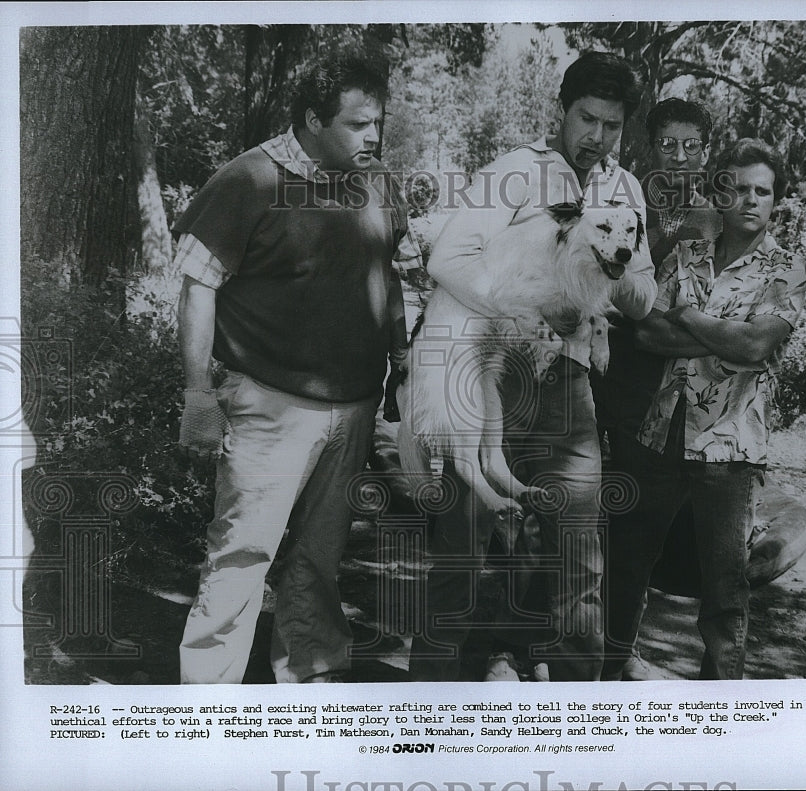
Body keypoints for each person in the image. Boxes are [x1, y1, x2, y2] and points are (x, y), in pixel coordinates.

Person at [408, 51, 657, 682]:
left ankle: (574, 700)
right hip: (492, 365)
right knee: (465, 536)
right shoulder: (513, 173)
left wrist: (618, 265)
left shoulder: (624, 190)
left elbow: (645, 295)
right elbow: (446, 261)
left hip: (568, 383)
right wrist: (531, 307)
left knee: (579, 545)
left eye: (611, 126)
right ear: (562, 110)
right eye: (586, 118)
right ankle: (430, 700)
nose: (596, 137)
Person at [174, 54, 410, 684]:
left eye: (377, 123)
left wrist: (404, 361)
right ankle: (204, 712)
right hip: (268, 406)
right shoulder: (247, 180)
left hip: (355, 406)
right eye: (359, 125)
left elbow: (386, 276)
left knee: (319, 562)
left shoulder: (378, 181)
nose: (374, 137)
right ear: (312, 119)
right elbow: (198, 284)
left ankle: (309, 694)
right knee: (240, 558)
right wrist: (198, 393)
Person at [600, 138, 806, 680]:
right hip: (658, 436)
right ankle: (608, 679)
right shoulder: (687, 256)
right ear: (720, 195)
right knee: (626, 568)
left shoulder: (788, 271)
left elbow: (755, 348)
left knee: (724, 590)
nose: (749, 200)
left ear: (775, 200)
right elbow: (646, 334)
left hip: (730, 447)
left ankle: (720, 707)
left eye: (762, 191)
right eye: (738, 188)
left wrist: (688, 317)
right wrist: (724, 336)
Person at [593, 97, 721, 681]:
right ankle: (545, 644)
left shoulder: (717, 215)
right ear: (648, 145)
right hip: (614, 381)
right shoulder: (625, 199)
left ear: (707, 150)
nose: (679, 156)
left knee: (641, 530)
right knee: (582, 517)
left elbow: (718, 306)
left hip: (679, 400)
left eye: (692, 146)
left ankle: (618, 650)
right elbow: (632, 306)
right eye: (667, 143)